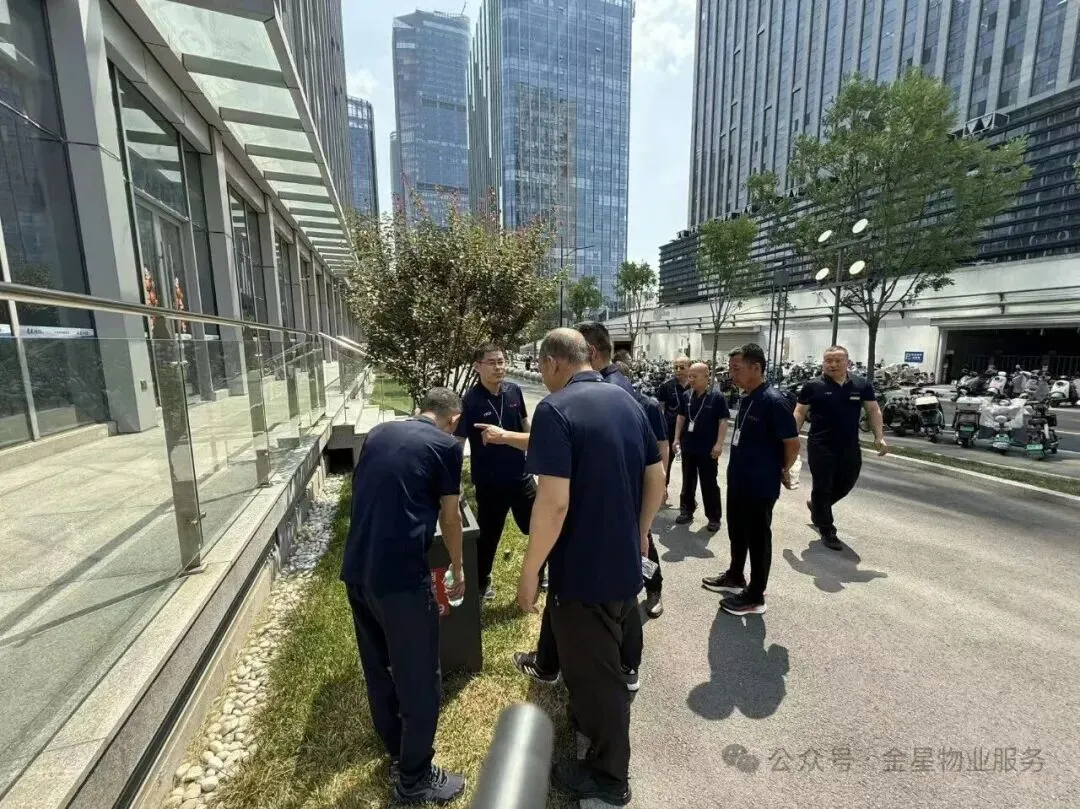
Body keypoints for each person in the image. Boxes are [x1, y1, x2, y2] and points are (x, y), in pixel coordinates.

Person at [515, 328, 665, 806]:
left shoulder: (555, 409)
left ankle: (609, 776)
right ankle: (590, 729)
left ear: (553, 362)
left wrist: (530, 571)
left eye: (541, 367)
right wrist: (640, 532)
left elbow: (554, 503)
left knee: (599, 679)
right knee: (600, 662)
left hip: (582, 571)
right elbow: (657, 476)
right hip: (621, 561)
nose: (543, 375)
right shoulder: (627, 402)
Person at [340, 388, 467, 804]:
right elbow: (451, 517)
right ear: (453, 419)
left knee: (378, 666)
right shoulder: (447, 447)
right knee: (420, 679)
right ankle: (414, 777)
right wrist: (458, 567)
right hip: (401, 581)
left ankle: (396, 748)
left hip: (358, 569)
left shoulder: (378, 433)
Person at [701, 345, 801, 616]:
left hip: (760, 484)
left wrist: (782, 469)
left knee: (757, 538)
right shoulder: (747, 398)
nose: (731, 374)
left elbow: (792, 444)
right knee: (737, 531)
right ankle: (735, 576)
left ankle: (756, 595)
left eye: (736, 368)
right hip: (739, 480)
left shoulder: (774, 401)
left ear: (756, 368)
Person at [578, 321, 669, 618]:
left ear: (590, 352)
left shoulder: (611, 390)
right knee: (637, 537)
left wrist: (660, 485)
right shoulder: (605, 384)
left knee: (642, 539)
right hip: (620, 482)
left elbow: (659, 447)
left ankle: (653, 586)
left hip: (627, 483)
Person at [455, 344, 534, 600]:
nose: (498, 367)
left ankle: (540, 572)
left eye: (501, 361)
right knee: (489, 535)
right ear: (477, 366)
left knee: (537, 526)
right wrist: (454, 482)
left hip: (521, 475)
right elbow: (459, 443)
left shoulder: (514, 391)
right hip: (490, 482)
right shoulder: (470, 401)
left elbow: (525, 425)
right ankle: (482, 580)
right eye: (492, 362)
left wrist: (537, 454)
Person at [794, 345, 888, 550]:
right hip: (820, 445)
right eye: (829, 361)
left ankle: (818, 506)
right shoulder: (813, 386)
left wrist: (879, 436)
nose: (833, 365)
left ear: (848, 362)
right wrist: (792, 438)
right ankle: (827, 529)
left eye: (838, 361)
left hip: (849, 444)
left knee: (847, 482)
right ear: (823, 363)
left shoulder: (861, 385)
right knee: (823, 485)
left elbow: (873, 410)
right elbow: (800, 412)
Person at [673, 361, 730, 532]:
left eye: (694, 376)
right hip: (689, 446)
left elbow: (723, 421)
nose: (690, 379)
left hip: (707, 449)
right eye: (689, 376)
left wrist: (719, 444)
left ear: (706, 377)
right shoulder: (687, 396)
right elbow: (681, 418)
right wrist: (676, 439)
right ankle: (686, 510)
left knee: (709, 483)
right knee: (687, 481)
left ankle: (714, 517)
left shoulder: (717, 397)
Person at [656, 357, 691, 490]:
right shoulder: (666, 386)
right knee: (666, 460)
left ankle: (688, 495)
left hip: (688, 430)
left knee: (689, 464)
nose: (678, 370)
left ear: (689, 367)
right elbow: (661, 408)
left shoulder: (694, 386)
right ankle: (663, 488)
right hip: (669, 429)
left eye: (682, 367)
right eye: (675, 367)